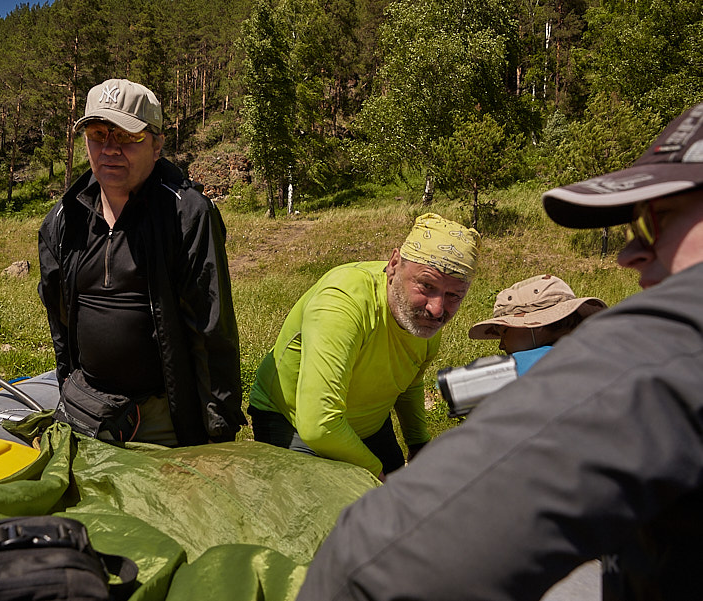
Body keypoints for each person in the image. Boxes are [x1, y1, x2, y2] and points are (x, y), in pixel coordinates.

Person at [296, 102, 703, 601]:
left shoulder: (671, 349)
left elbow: (371, 560)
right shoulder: (346, 301)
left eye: (656, 222)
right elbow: (321, 419)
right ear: (395, 264)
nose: (628, 254)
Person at [37, 78, 245, 447]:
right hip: (85, 405)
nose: (110, 149)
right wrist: (67, 385)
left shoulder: (186, 215)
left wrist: (219, 432)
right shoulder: (63, 219)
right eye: (98, 134)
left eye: (127, 136)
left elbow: (212, 330)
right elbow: (60, 318)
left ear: (157, 143)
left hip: (161, 416)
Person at [247, 213, 481, 481]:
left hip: (365, 424)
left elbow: (408, 381)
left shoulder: (421, 319)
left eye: (454, 296)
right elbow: (319, 425)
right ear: (394, 265)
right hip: (293, 421)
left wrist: (417, 443)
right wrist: (375, 473)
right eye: (426, 286)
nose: (437, 308)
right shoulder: (342, 303)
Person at [468, 273, 607, 367]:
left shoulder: (527, 372)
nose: (501, 346)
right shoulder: (601, 354)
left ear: (536, 325)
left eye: (504, 332)